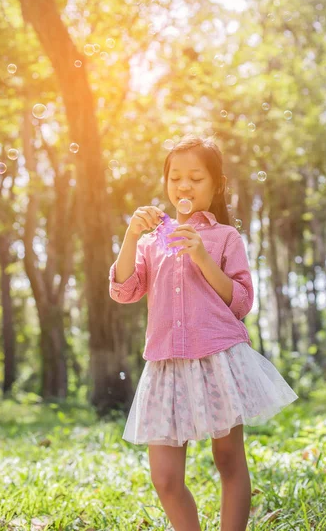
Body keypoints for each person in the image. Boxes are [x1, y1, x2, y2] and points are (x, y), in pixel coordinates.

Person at [109, 134, 298, 531]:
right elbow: (123, 290)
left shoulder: (225, 237)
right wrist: (129, 237)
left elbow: (241, 302)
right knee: (164, 477)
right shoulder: (150, 241)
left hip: (217, 358)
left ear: (217, 185)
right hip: (165, 366)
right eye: (175, 177)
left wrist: (201, 255)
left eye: (196, 178)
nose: (183, 186)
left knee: (229, 460)